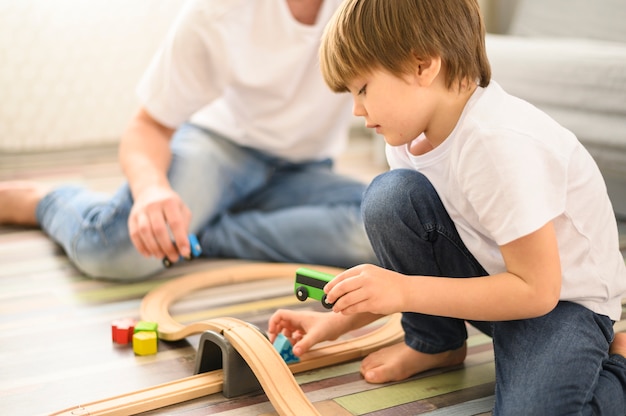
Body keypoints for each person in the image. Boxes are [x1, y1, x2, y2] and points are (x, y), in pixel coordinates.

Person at [268, 0, 626, 413]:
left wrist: (402, 290)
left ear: (423, 66)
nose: (357, 110)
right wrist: (334, 323)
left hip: (564, 305)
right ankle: (435, 344)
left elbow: (538, 292)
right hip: (498, 282)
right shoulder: (409, 140)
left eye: (363, 88)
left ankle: (618, 364)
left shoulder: (495, 144)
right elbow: (407, 272)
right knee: (390, 196)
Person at [0, 0, 378, 280]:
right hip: (221, 148)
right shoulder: (215, 13)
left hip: (305, 169)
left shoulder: (374, 10)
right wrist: (151, 192)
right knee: (114, 253)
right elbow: (147, 127)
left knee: (388, 233)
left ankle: (201, 232)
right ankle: (43, 201)